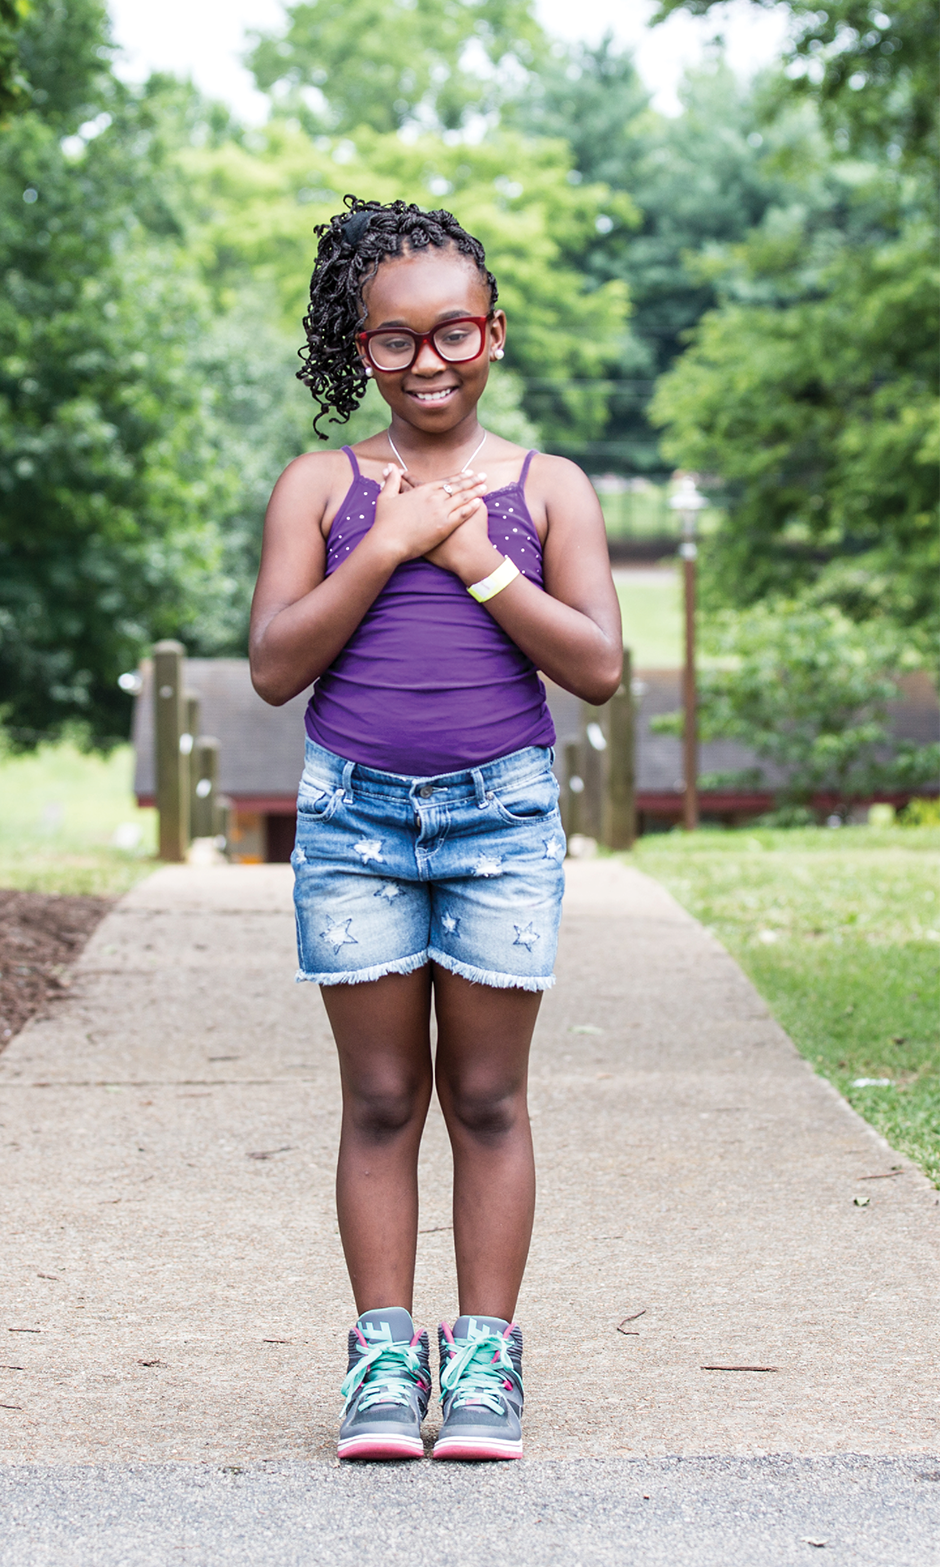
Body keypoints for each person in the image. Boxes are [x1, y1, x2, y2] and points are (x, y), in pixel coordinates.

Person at [248, 196, 622, 1461]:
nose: (427, 363)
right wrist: (389, 544)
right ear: (363, 353)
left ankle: (484, 1364)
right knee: (379, 1098)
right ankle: (379, 1361)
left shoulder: (548, 487)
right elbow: (274, 666)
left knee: (487, 1097)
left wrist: (477, 565)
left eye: (452, 334)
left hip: (501, 819)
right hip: (354, 820)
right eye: (395, 341)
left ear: (493, 334)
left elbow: (599, 668)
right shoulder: (321, 486)